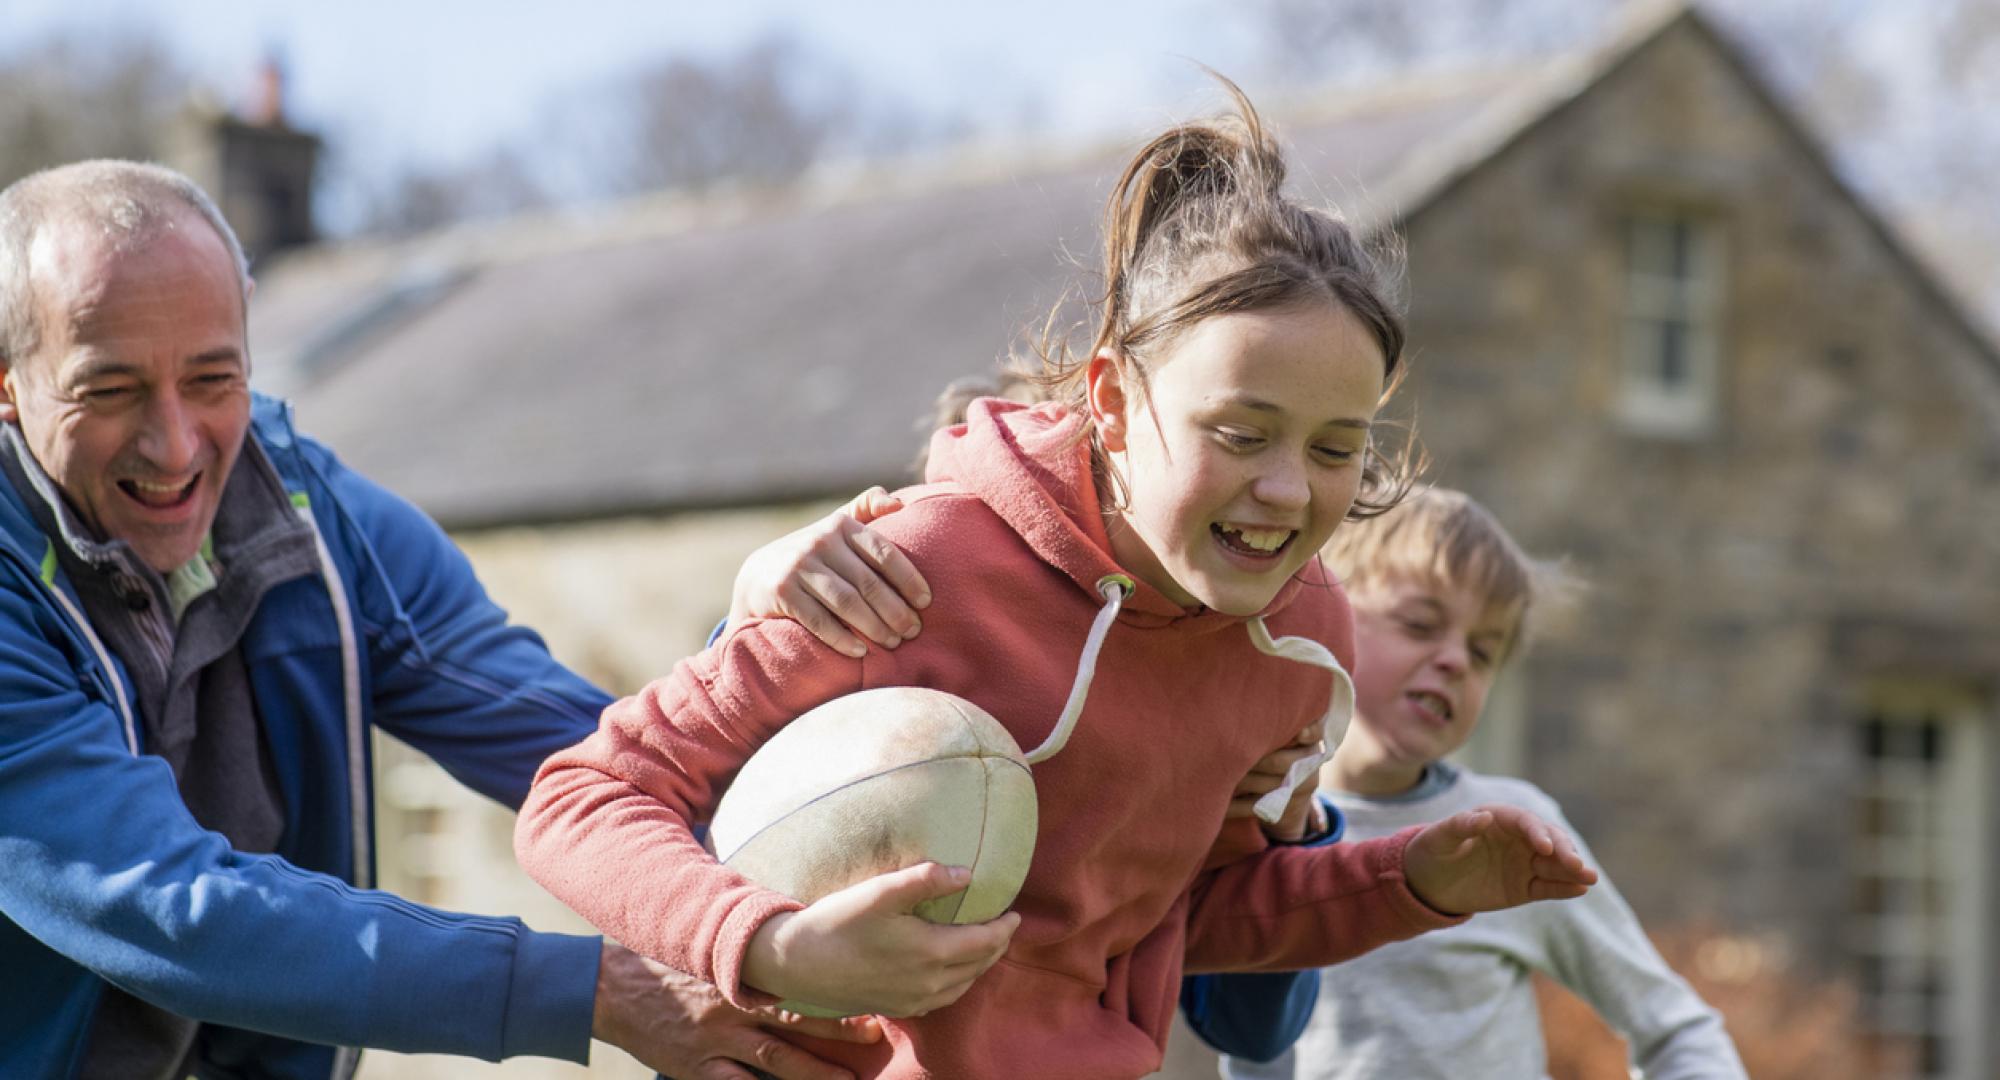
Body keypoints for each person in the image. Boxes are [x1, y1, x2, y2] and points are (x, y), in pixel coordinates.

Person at [514, 82, 1597, 1080]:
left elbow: (1186, 917)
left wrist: (1410, 883)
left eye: (1332, 448)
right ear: (1114, 405)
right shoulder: (910, 570)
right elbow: (578, 800)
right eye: (1240, 431)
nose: (1283, 489)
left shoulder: (1303, 643)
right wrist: (770, 943)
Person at [0, 159, 930, 1080]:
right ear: (9, 382)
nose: (174, 444)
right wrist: (599, 991)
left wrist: (752, 638)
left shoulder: (317, 522)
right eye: (109, 390)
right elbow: (170, 908)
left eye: (212, 378)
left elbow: (587, 751)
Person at [1199, 487, 1749, 1079]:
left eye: (1484, 653)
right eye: (1419, 624)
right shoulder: (1252, 823)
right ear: (1326, 620)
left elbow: (1673, 1025)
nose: (1455, 661)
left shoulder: (1508, 831)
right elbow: (1251, 1045)